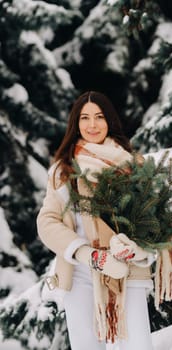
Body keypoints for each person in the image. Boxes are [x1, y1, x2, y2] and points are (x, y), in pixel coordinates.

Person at [37, 91, 154, 350]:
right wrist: (86, 254)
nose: (92, 125)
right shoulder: (63, 170)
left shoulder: (131, 165)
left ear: (110, 121)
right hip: (80, 271)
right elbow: (47, 222)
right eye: (85, 118)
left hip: (127, 268)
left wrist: (137, 247)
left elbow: (151, 219)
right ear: (75, 124)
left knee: (137, 343)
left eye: (99, 117)